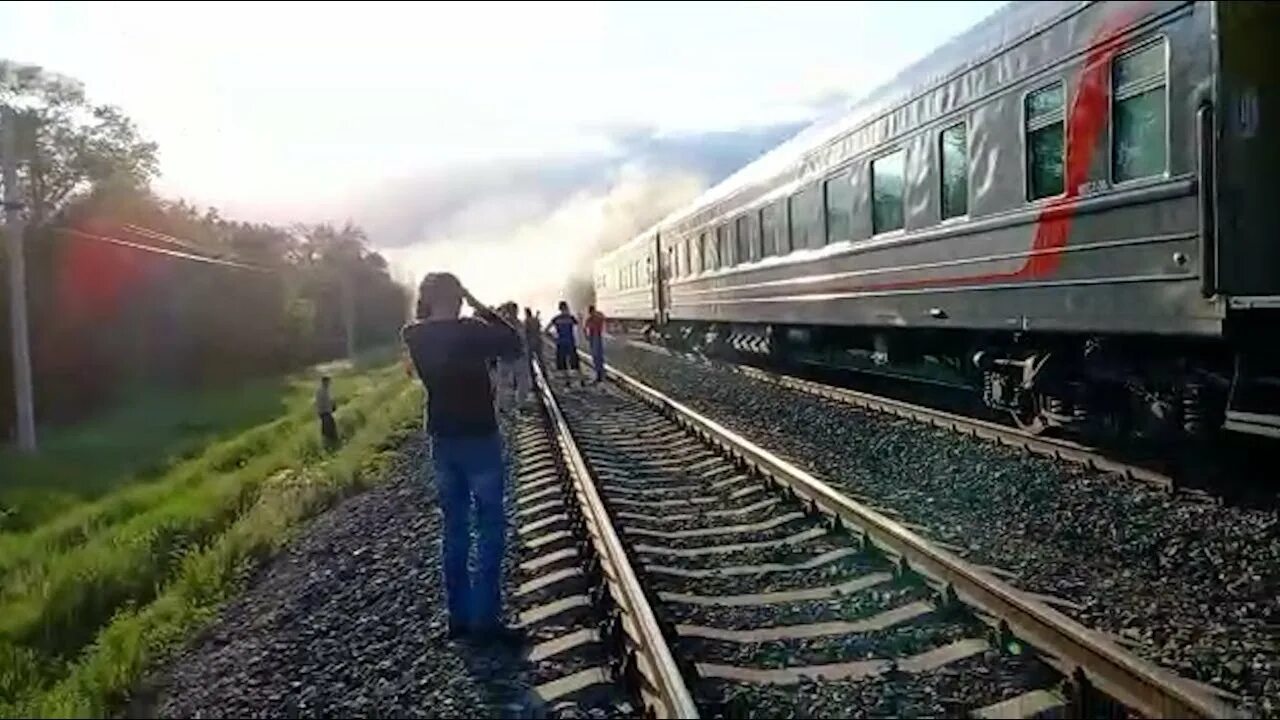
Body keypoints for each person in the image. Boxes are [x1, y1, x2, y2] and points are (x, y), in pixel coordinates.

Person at [401, 272, 523, 645]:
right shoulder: (472, 331)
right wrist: (478, 302)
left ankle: (459, 618)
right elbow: (513, 341)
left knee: (453, 529)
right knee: (489, 526)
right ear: (456, 296)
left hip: (443, 439)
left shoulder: (414, 335)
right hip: (479, 437)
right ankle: (485, 618)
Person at [494, 302, 530, 413]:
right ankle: (521, 404)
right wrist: (525, 353)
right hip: (518, 356)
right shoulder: (519, 324)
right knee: (522, 381)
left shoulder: (500, 323)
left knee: (502, 383)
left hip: (503, 357)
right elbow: (523, 339)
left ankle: (501, 405)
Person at [546, 300, 582, 385]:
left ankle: (567, 381)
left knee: (563, 364)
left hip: (561, 343)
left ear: (559, 308)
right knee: (575, 363)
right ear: (566, 308)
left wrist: (554, 338)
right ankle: (581, 381)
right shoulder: (571, 318)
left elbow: (546, 330)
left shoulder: (556, 318)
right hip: (570, 342)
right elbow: (578, 324)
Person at [584, 305, 607, 382]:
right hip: (594, 338)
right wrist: (586, 336)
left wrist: (586, 336)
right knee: (597, 356)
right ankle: (599, 373)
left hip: (596, 337)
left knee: (597, 356)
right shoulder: (592, 318)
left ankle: (599, 373)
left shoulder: (593, 318)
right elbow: (585, 328)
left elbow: (585, 328)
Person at [315, 376, 338, 448]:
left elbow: (330, 400)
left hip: (327, 411)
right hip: (324, 412)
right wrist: (330, 407)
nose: (329, 384)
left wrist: (333, 406)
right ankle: (328, 443)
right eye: (328, 382)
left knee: (330, 426)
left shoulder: (326, 390)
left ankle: (331, 441)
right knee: (328, 427)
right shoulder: (320, 391)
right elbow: (321, 402)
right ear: (324, 382)